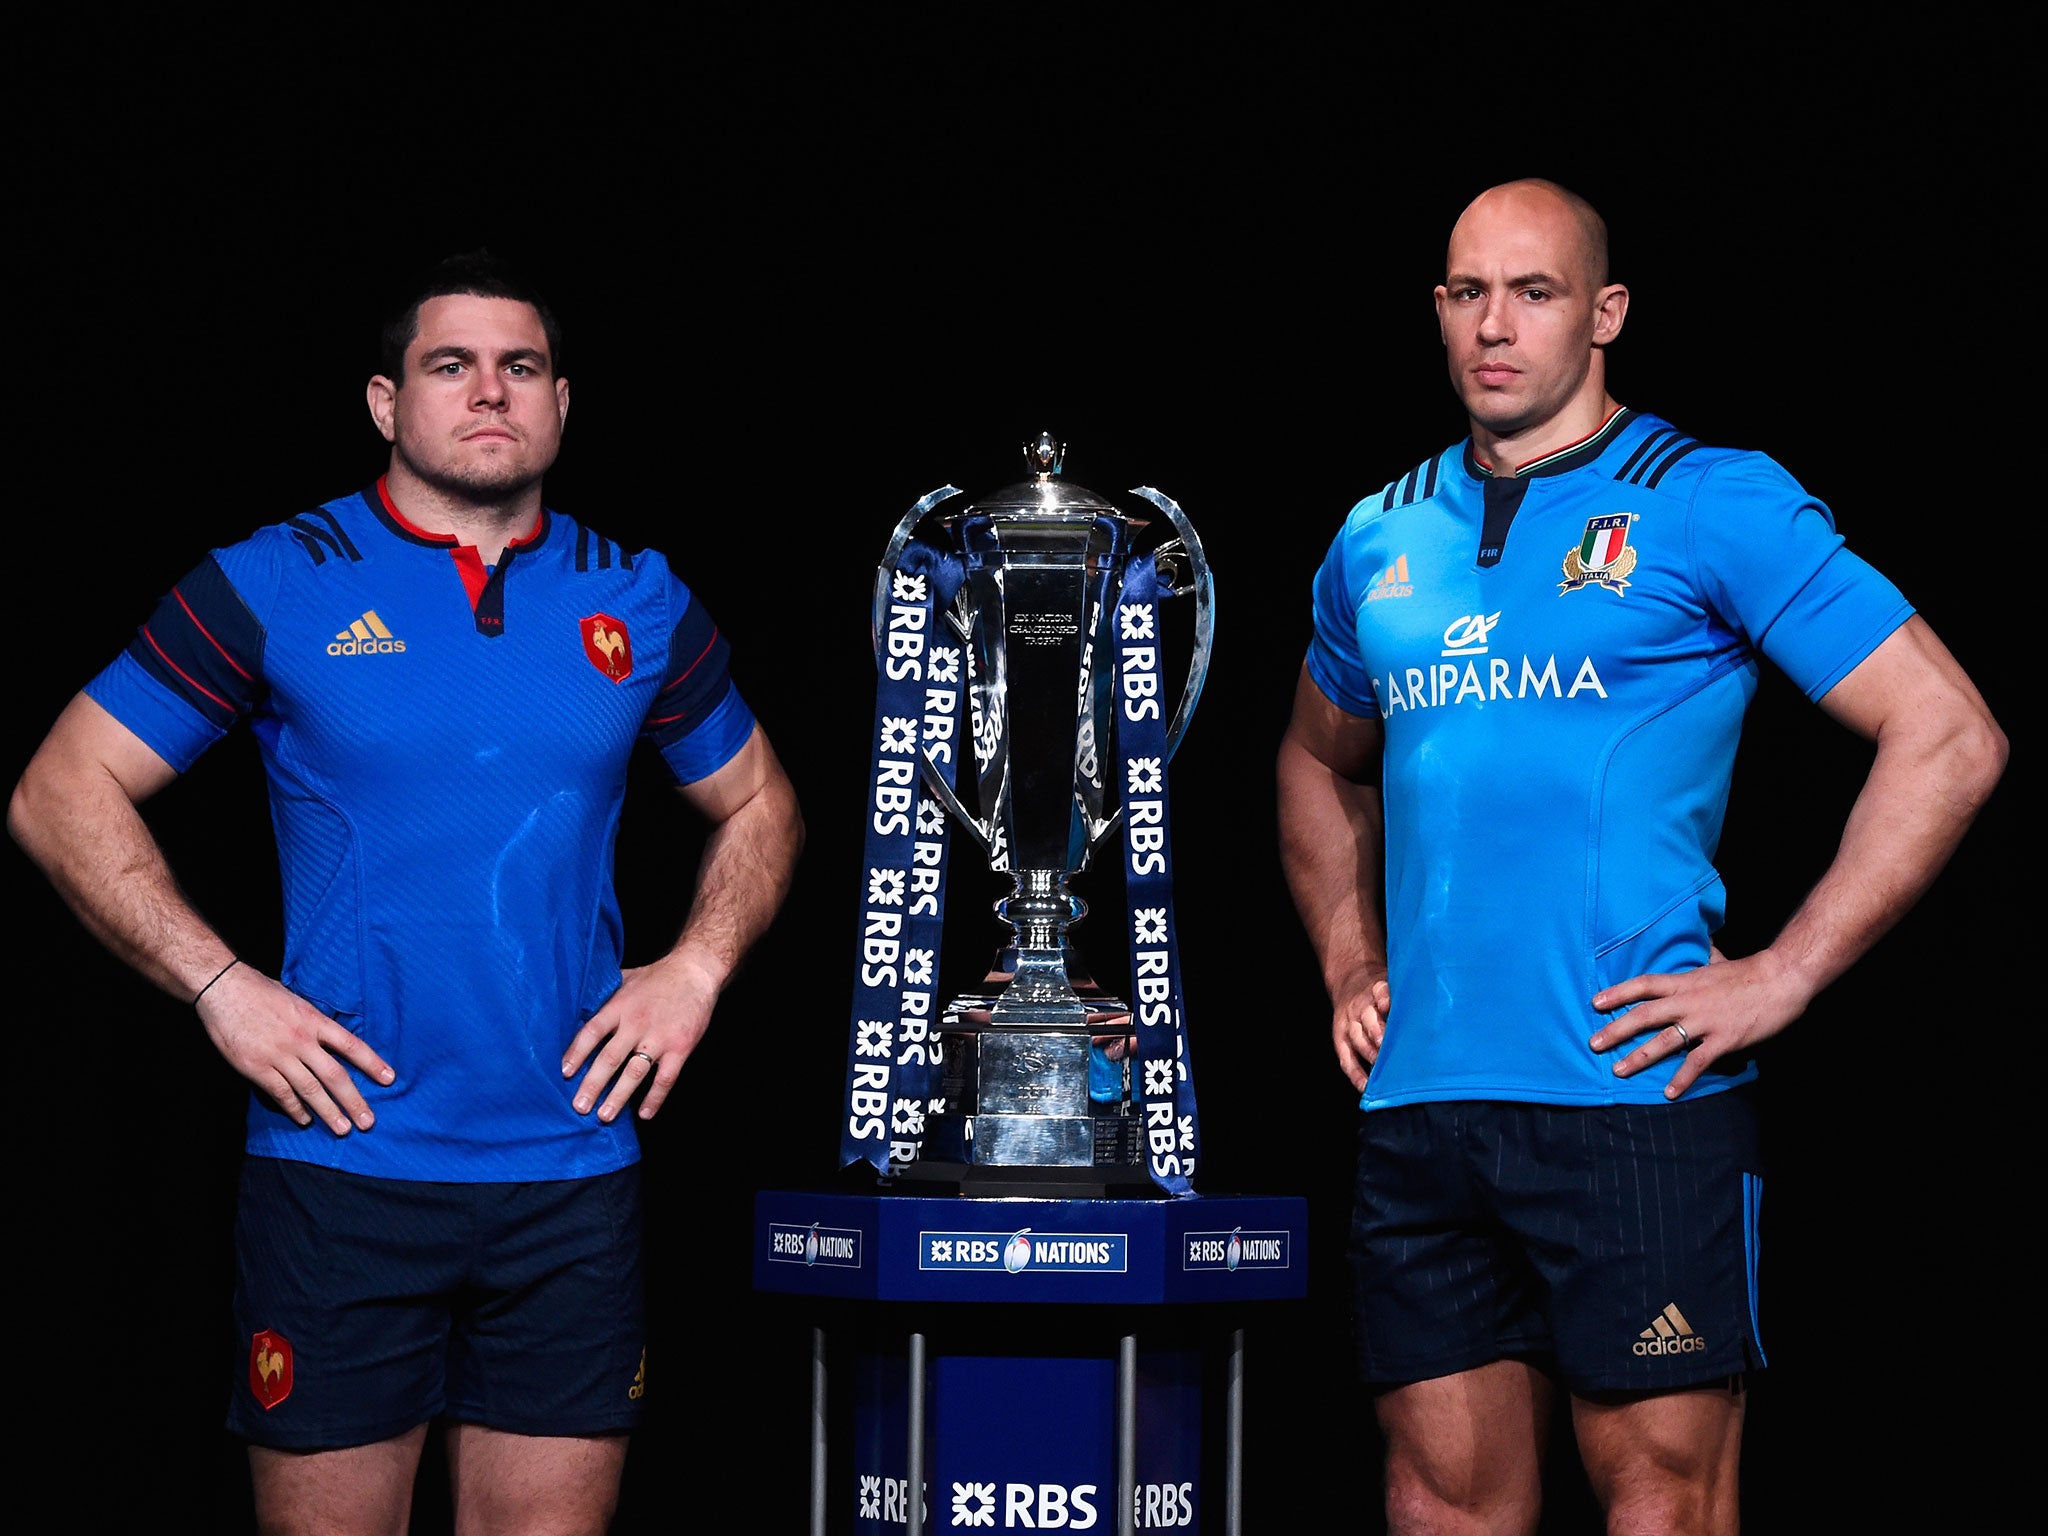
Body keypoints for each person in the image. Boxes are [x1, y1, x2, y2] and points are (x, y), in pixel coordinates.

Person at [8, 251, 805, 1535]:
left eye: (520, 367)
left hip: (569, 1179)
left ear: (559, 404)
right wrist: (220, 987)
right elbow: (59, 791)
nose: (489, 391)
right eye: (451, 365)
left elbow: (763, 804)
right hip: (342, 1173)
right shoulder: (279, 580)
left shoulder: (633, 595)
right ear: (387, 403)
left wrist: (697, 966)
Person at [1274, 179, 2006, 1535]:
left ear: (1604, 314)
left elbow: (1950, 734)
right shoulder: (1379, 533)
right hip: (1424, 1108)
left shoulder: (1710, 500)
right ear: (1439, 310)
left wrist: (1783, 973)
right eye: (1467, 291)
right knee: (1440, 1504)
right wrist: (1345, 958)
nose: (1495, 325)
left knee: (1664, 1503)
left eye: (1534, 293)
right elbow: (1319, 761)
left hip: (1632, 1099)